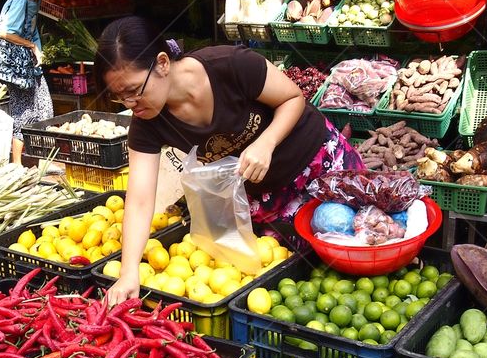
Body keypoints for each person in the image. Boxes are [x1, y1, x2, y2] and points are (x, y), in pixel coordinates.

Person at [95, 16, 364, 306]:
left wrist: (266, 142)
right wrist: (128, 272)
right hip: (268, 199)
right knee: (311, 281)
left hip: (319, 163)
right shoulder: (147, 122)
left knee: (357, 248)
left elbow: (292, 98)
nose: (130, 105)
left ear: (162, 63)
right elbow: (139, 199)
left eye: (134, 90)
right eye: (118, 97)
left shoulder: (229, 64)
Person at [0, 0, 55, 165]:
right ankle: (18, 164)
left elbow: (31, 27)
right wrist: (31, 46)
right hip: (16, 67)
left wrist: (38, 49)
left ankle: (42, 161)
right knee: (25, 111)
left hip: (29, 65)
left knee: (44, 109)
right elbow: (4, 32)